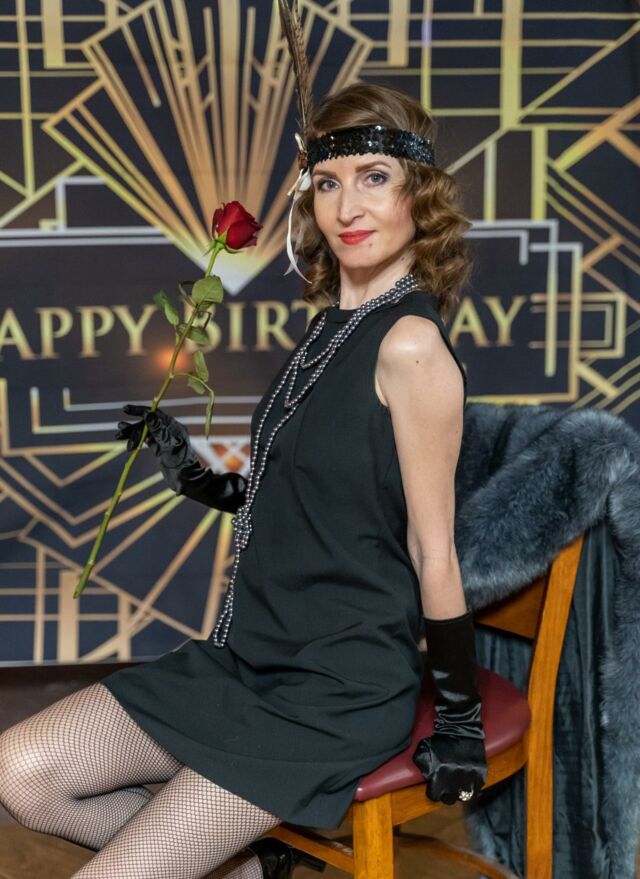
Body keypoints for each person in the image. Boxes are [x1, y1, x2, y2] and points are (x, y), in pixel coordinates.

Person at [0, 77, 487, 879]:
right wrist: (193, 473)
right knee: (21, 771)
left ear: (419, 194)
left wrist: (459, 720)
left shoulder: (409, 346)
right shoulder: (331, 329)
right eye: (327, 182)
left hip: (334, 687)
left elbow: (433, 550)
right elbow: (303, 498)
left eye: (374, 178)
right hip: (249, 655)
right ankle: (252, 867)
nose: (347, 206)